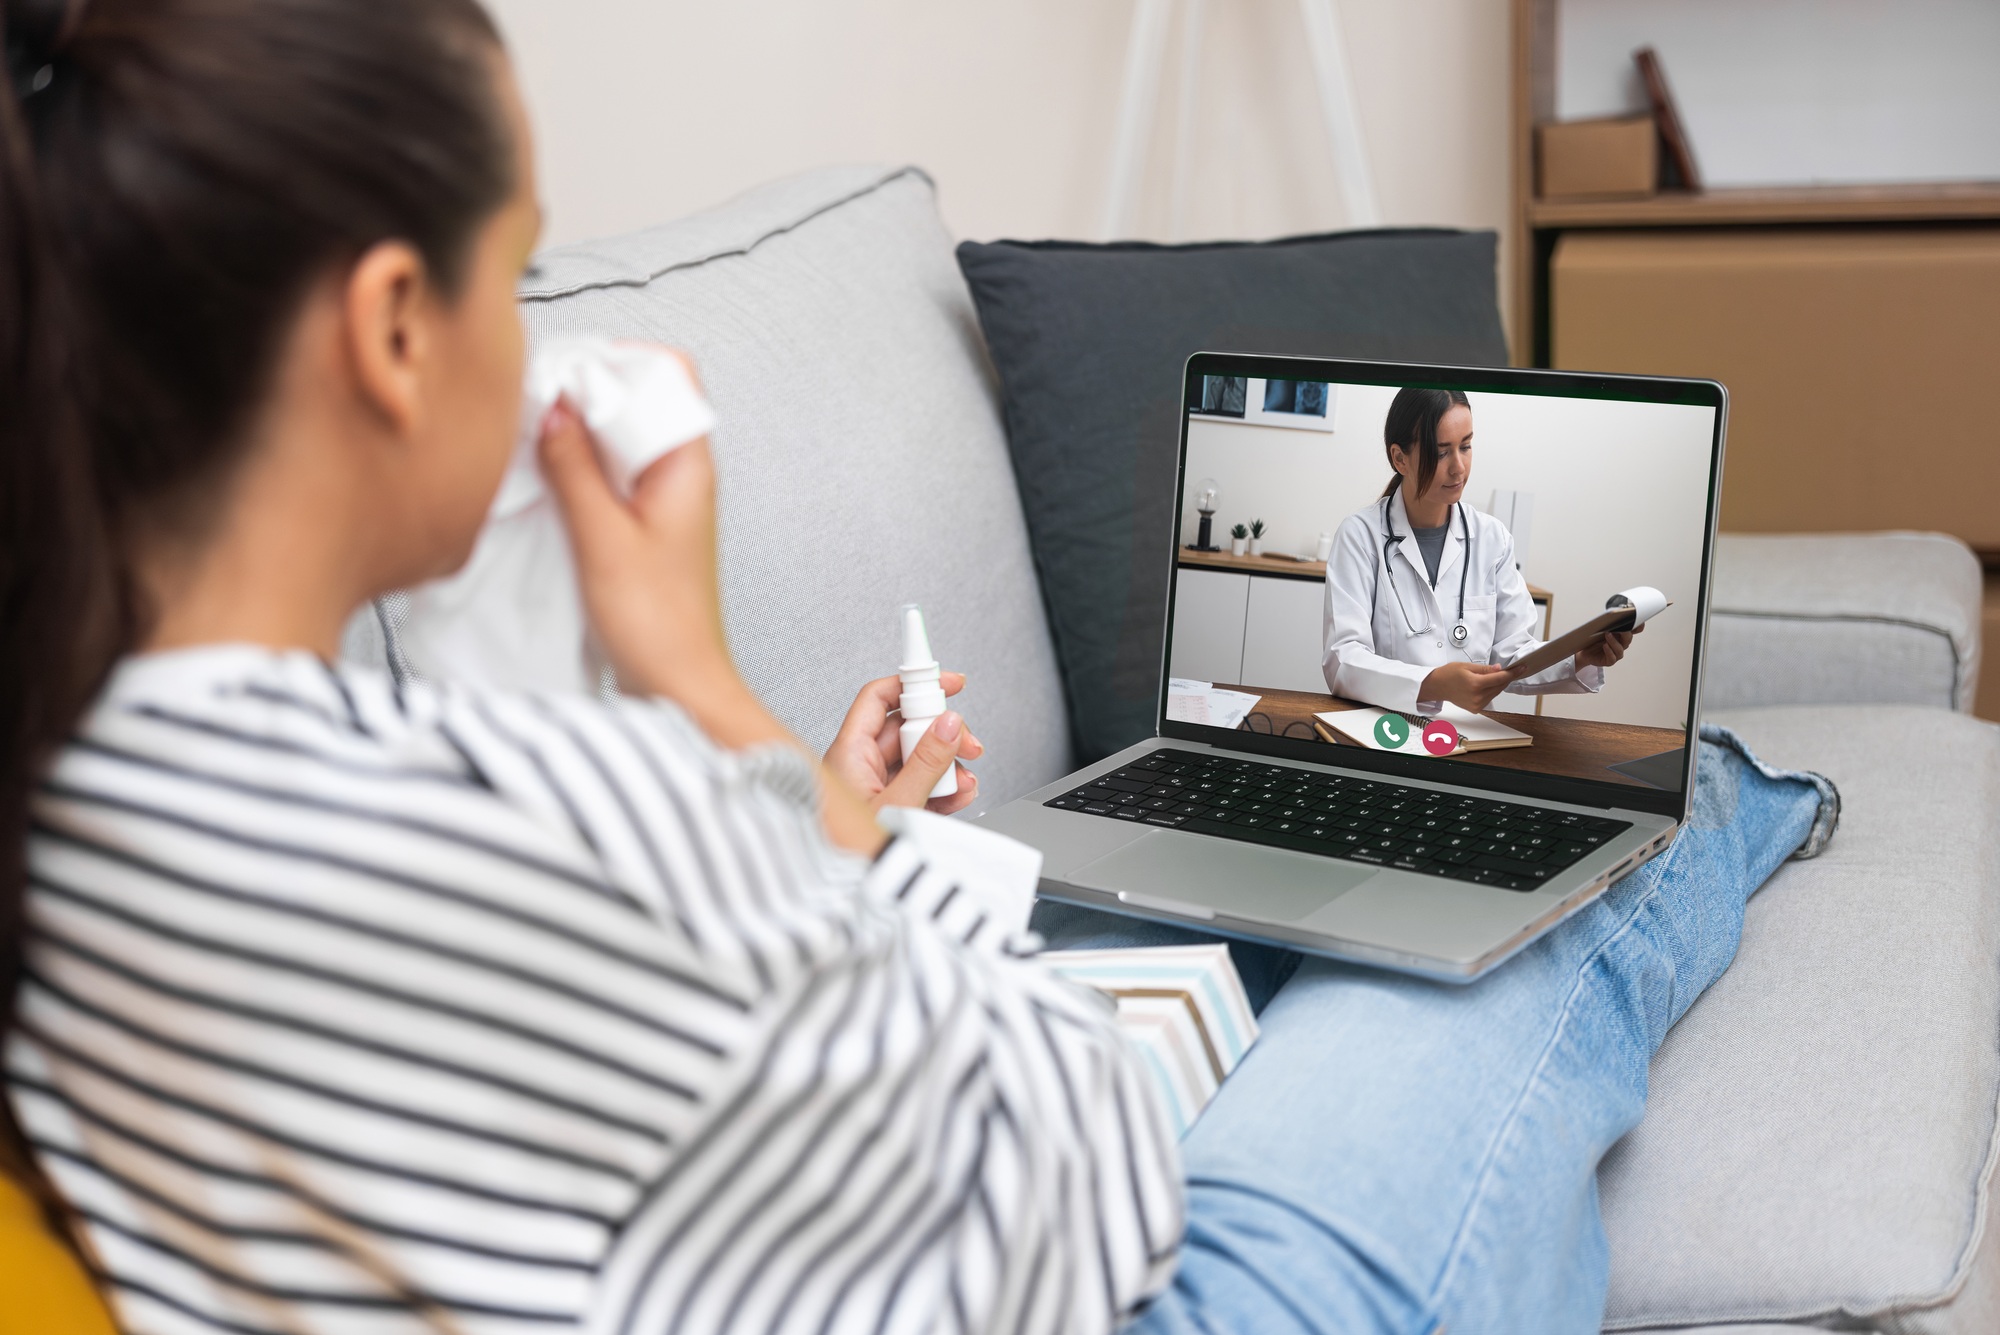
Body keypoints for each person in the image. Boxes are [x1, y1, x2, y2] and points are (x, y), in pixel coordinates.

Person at [0, 1, 1835, 1332]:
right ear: (397, 328)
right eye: (514, 274)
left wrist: (813, 825)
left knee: (1331, 883)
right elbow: (1090, 1181)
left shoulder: (77, 811)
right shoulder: (496, 811)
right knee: (1534, 917)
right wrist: (694, 683)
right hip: (1142, 1276)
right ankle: (1741, 803)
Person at [1322, 387, 1641, 716]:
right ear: (1400, 458)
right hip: (1385, 730)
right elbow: (1343, 660)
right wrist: (1432, 682)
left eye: (1466, 446)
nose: (1458, 467)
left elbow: (1513, 655)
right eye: (1441, 451)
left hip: (1468, 738)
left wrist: (1580, 658)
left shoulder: (1492, 539)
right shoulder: (1360, 536)